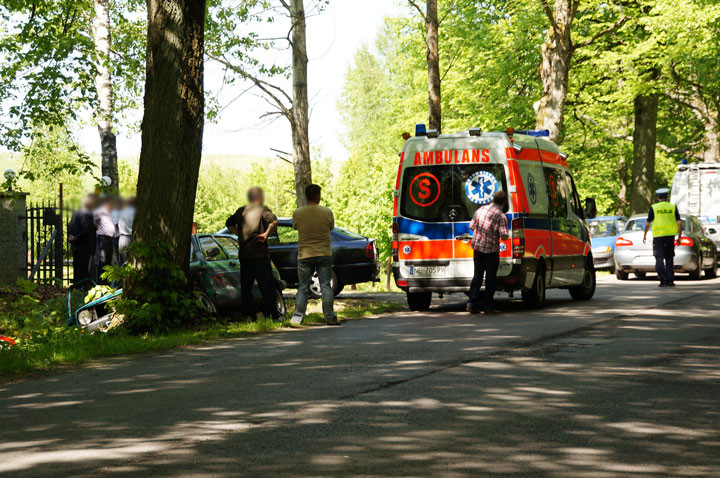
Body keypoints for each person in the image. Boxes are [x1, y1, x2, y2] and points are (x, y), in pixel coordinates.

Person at [225, 187, 280, 319]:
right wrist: (266, 234)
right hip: (260, 254)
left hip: (245, 255)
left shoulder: (240, 210)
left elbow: (229, 223)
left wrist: (238, 233)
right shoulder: (262, 209)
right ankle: (271, 314)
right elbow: (274, 221)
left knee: (246, 287)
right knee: (266, 285)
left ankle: (251, 314)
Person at [290, 184, 340, 326]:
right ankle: (329, 317)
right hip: (324, 253)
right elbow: (331, 227)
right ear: (318, 195)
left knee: (303, 287)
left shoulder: (297, 213)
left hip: (305, 254)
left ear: (306, 196)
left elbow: (295, 227)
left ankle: (297, 318)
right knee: (326, 286)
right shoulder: (327, 212)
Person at [467, 190, 510, 315]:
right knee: (490, 278)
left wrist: (481, 231)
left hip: (478, 248)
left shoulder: (480, 210)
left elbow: (471, 226)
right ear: (504, 202)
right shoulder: (500, 216)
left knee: (477, 276)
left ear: (493, 199)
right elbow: (504, 235)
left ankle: (471, 304)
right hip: (491, 250)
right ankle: (488, 307)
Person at [643, 188, 683, 287]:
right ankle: (670, 280)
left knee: (659, 258)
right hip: (670, 236)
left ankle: (663, 281)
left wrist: (644, 234)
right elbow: (679, 222)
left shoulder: (654, 207)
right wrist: (679, 236)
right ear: (667, 196)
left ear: (658, 197)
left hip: (658, 237)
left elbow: (648, 223)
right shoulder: (672, 207)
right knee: (669, 258)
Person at [68, 194, 97, 285]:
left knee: (77, 268)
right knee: (82, 269)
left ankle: (76, 287)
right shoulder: (87, 213)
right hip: (84, 245)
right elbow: (86, 229)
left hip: (76, 245)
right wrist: (76, 238)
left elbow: (70, 225)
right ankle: (80, 287)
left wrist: (70, 236)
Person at [93, 197, 117, 284]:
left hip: (110, 238)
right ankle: (100, 283)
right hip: (102, 238)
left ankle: (106, 283)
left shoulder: (109, 212)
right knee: (102, 262)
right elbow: (95, 223)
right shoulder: (98, 211)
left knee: (108, 262)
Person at [118, 197, 135, 265]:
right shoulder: (134, 213)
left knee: (123, 260)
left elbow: (116, 223)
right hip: (131, 236)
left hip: (122, 238)